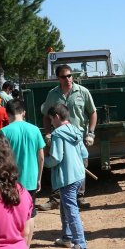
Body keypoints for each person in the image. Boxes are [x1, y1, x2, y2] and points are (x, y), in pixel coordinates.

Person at [40, 64, 97, 210]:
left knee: (81, 166)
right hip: (58, 138)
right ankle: (55, 199)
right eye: (64, 76)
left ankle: (80, 198)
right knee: (57, 166)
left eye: (70, 75)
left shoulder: (82, 92)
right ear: (58, 78)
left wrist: (90, 132)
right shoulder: (52, 94)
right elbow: (46, 116)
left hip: (76, 139)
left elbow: (92, 112)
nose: (68, 79)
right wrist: (48, 133)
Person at [44, 104, 89, 249]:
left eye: (51, 119)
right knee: (65, 206)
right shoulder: (75, 129)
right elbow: (85, 153)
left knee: (71, 211)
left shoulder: (57, 134)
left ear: (56, 116)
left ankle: (80, 248)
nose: (51, 123)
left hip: (68, 177)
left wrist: (43, 161)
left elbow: (56, 158)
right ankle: (67, 238)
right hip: (78, 175)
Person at [1, 99, 46, 247]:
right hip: (31, 179)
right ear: (24, 112)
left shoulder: (3, 132)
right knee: (30, 214)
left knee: (11, 212)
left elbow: (1, 160)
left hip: (11, 181)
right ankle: (26, 247)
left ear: (7, 114)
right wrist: (39, 177)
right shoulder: (35, 130)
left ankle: (15, 244)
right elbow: (41, 156)